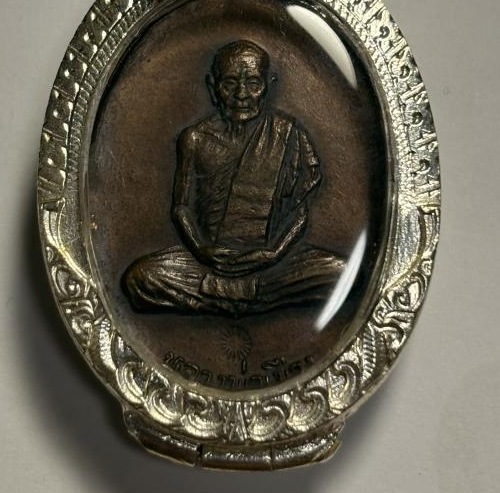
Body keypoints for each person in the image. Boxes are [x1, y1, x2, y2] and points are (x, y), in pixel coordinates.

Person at [122, 40, 344, 315]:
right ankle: (251, 303)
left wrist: (274, 253)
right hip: (209, 263)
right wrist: (200, 249)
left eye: (253, 84)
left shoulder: (288, 134)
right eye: (229, 84)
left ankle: (221, 303)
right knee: (139, 279)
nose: (242, 95)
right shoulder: (195, 138)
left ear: (269, 85)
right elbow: (181, 207)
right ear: (212, 86)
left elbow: (299, 212)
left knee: (342, 275)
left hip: (270, 264)